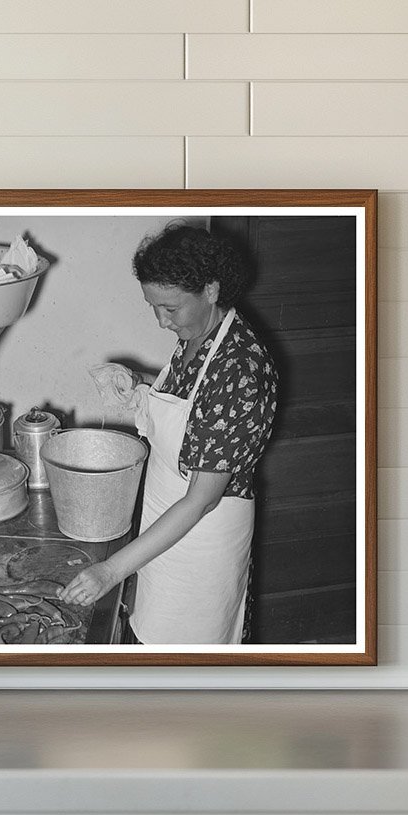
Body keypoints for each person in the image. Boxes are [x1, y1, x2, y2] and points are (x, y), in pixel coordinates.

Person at [61, 223, 278, 644]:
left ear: (211, 290)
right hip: (165, 519)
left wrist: (110, 570)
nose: (161, 322)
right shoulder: (200, 335)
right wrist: (137, 383)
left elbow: (202, 498)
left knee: (191, 656)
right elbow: (191, 404)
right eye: (153, 307)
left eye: (171, 308)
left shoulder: (239, 370)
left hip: (201, 538)